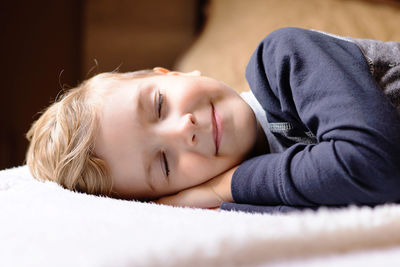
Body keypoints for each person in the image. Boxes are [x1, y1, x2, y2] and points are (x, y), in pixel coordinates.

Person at [26, 27, 400, 214]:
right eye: (165, 162)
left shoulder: (282, 59)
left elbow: (370, 165)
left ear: (173, 74)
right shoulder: (253, 205)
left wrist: (223, 189)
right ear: (168, 196)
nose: (184, 129)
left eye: (158, 105)